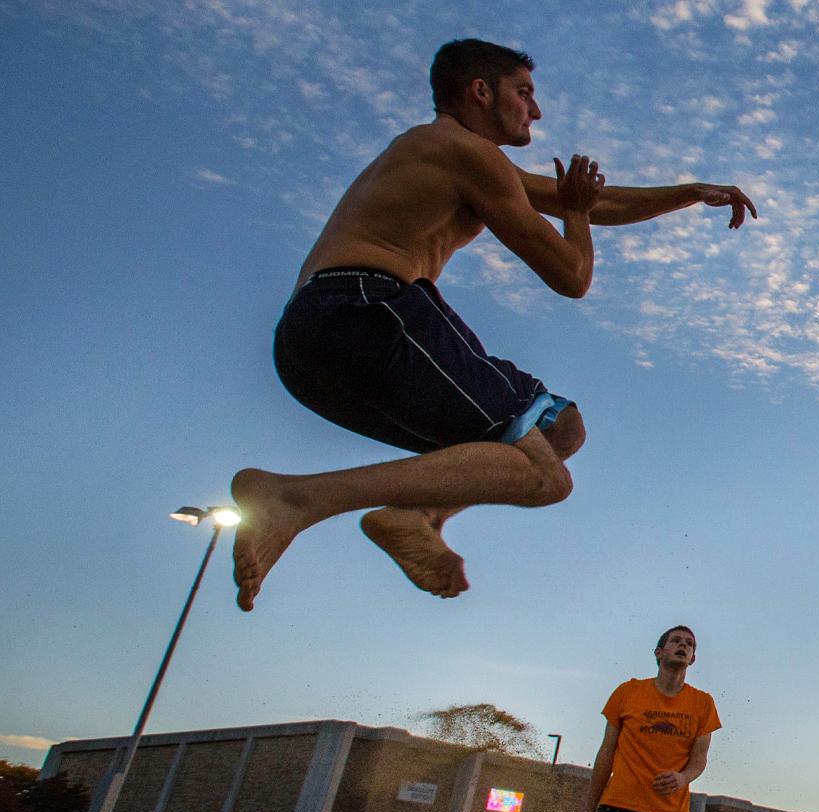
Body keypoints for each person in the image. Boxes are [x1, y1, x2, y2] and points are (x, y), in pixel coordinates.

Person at [228, 38, 758, 610]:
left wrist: (687, 193)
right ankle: (293, 498)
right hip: (365, 311)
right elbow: (572, 273)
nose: (537, 111)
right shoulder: (464, 152)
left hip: (312, 349)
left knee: (560, 426)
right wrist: (576, 212)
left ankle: (417, 513)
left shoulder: (448, 153)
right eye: (525, 93)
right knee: (546, 478)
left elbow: (590, 203)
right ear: (480, 92)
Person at [581, 625, 720, 812]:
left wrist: (683, 778)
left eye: (689, 644)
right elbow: (606, 753)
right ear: (659, 652)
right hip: (619, 811)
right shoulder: (628, 692)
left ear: (692, 658)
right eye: (676, 641)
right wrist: (588, 810)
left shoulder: (703, 703)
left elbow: (699, 760)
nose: (683, 645)